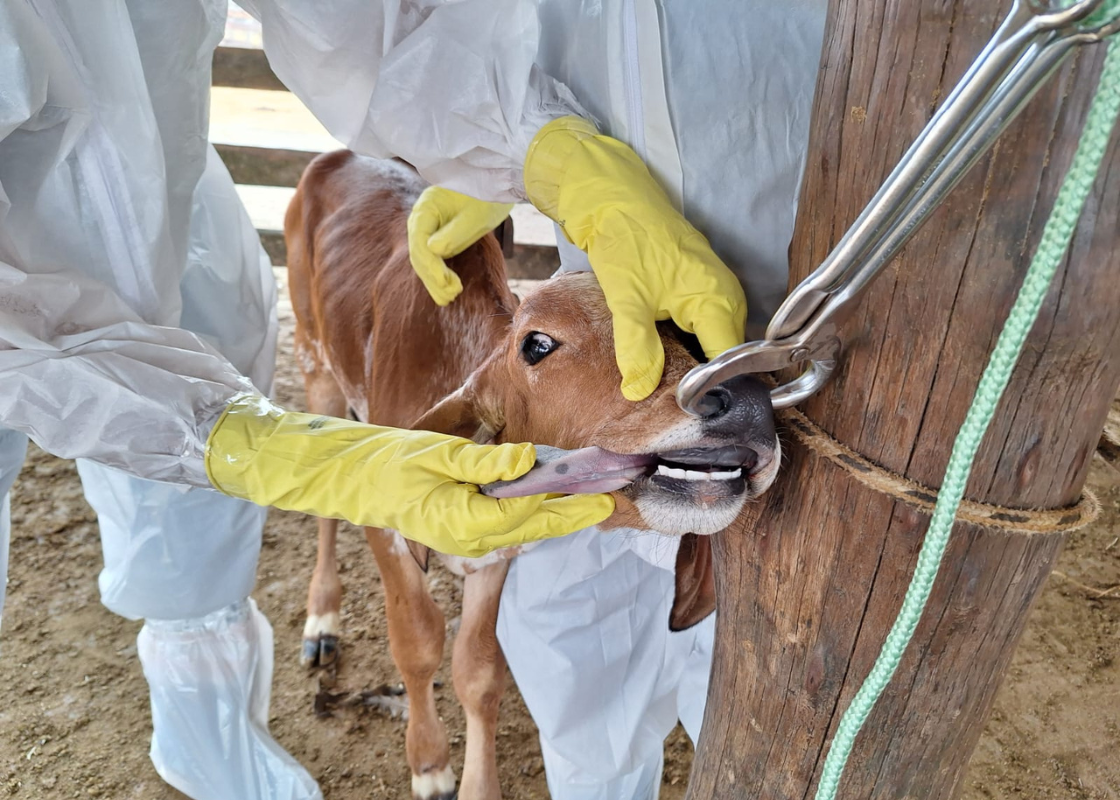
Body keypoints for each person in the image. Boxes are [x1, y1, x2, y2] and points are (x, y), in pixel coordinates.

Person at [0, 3, 612, 799]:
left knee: (213, 379)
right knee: (327, 429)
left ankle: (206, 721)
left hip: (175, 212)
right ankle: (329, 592)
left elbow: (369, 24)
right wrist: (271, 448)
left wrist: (526, 145)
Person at [238, 1, 827, 798]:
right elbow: (377, 36)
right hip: (614, 282)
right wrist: (521, 150)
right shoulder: (501, 388)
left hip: (786, 311)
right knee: (568, 635)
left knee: (736, 654)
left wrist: (524, 153)